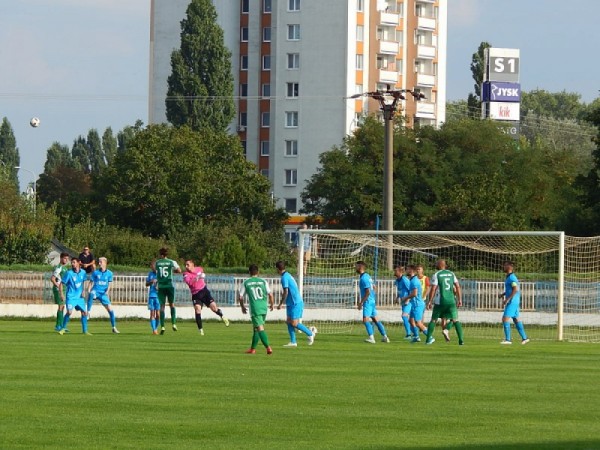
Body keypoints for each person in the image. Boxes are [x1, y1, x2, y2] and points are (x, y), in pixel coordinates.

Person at [183, 259, 230, 335]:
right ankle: (200, 330)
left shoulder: (199, 269)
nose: (186, 266)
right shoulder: (185, 274)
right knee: (197, 309)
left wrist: (202, 275)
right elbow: (189, 283)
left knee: (214, 308)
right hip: (196, 294)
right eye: (185, 265)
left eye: (188, 265)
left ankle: (222, 316)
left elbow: (202, 273)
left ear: (192, 265)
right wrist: (197, 278)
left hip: (204, 291)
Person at [275, 260, 316, 347]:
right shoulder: (287, 275)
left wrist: (280, 303)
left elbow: (285, 291)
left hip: (295, 302)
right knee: (289, 322)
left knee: (294, 323)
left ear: (277, 269)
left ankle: (310, 333)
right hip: (291, 302)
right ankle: (293, 342)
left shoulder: (284, 277)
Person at [426, 259, 464, 345]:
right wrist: (460, 299)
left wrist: (430, 301)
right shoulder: (451, 274)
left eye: (436, 263)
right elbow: (458, 286)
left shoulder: (437, 274)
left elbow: (433, 288)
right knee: (455, 320)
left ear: (439, 265)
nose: (435, 264)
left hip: (440, 302)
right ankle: (461, 340)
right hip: (451, 301)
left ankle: (428, 340)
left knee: (433, 320)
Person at [239, 264, 274, 355]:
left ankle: (268, 347)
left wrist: (242, 307)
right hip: (263, 308)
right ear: (258, 272)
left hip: (255, 308)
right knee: (256, 328)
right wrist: (272, 304)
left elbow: (240, 297)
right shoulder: (263, 281)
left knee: (260, 328)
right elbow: (270, 294)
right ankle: (252, 349)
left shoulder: (246, 282)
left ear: (249, 272)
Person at [356, 261, 389, 344]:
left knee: (365, 320)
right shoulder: (368, 276)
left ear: (360, 267)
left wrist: (361, 302)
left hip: (368, 301)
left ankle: (371, 338)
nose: (355, 268)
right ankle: (385, 337)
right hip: (372, 301)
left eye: (356, 266)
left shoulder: (364, 278)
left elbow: (367, 292)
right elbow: (374, 287)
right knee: (375, 319)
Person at [499, 261, 530, 345]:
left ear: (509, 267)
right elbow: (511, 289)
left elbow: (515, 289)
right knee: (516, 319)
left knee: (505, 318)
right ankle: (525, 338)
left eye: (505, 265)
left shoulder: (512, 277)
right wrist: (503, 294)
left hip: (512, 301)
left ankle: (508, 340)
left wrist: (507, 299)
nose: (503, 267)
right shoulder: (509, 277)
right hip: (515, 301)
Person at [58, 257, 90, 335]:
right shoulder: (69, 273)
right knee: (69, 312)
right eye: (72, 263)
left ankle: (85, 331)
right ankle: (63, 328)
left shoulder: (83, 272)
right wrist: (61, 294)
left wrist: (83, 291)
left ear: (79, 263)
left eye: (74, 262)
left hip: (79, 297)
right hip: (71, 297)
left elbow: (83, 282)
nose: (72, 264)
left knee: (84, 313)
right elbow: (61, 283)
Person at [87, 257, 119, 334]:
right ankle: (88, 312)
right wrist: (88, 290)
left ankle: (114, 327)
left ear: (105, 263)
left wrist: (107, 291)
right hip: (96, 291)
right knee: (91, 294)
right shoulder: (95, 273)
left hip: (103, 294)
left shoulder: (109, 273)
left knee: (111, 311)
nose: (99, 263)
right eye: (99, 262)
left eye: (101, 262)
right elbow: (91, 282)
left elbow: (109, 284)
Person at [155, 247, 182, 334]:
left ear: (160, 254)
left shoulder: (157, 263)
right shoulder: (171, 262)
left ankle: (162, 326)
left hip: (161, 286)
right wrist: (172, 271)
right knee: (172, 305)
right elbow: (179, 270)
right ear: (167, 254)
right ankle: (173, 324)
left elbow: (157, 272)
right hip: (169, 285)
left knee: (162, 306)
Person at [400, 265, 428, 342]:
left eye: (408, 269)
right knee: (410, 321)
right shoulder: (412, 280)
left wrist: (406, 298)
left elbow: (414, 294)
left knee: (418, 323)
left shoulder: (414, 281)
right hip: (414, 304)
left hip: (418, 304)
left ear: (412, 271)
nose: (406, 271)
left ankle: (430, 337)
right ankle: (416, 336)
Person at [51, 252, 70, 331]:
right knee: (60, 306)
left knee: (62, 306)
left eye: (67, 259)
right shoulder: (59, 267)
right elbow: (52, 278)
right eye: (65, 258)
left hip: (64, 289)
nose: (66, 260)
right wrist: (58, 286)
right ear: (61, 258)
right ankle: (58, 326)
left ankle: (61, 325)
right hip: (59, 290)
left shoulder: (64, 268)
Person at [394, 264, 412, 339]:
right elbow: (400, 290)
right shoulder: (397, 280)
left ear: (400, 272)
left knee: (404, 316)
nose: (394, 272)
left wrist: (408, 299)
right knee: (412, 319)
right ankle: (415, 334)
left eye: (396, 271)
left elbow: (411, 290)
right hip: (403, 301)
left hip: (408, 301)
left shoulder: (405, 279)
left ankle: (409, 334)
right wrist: (397, 297)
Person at [146, 260, 160, 335]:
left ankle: (156, 328)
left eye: (152, 266)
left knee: (158, 314)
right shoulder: (150, 274)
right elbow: (146, 284)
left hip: (158, 296)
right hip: (151, 296)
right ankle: (154, 329)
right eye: (151, 266)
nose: (151, 267)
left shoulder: (160, 275)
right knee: (152, 313)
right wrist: (151, 281)